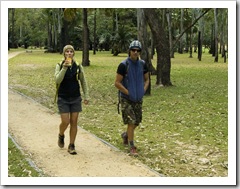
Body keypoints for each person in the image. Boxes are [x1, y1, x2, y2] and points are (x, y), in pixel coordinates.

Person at [114, 40, 150, 156]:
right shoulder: (124, 65)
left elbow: (147, 79)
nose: (135, 52)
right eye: (133, 50)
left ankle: (126, 135)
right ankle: (132, 145)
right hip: (126, 98)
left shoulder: (142, 64)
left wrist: (143, 90)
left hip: (138, 97)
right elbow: (117, 83)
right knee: (131, 121)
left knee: (137, 121)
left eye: (138, 50)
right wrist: (127, 92)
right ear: (129, 51)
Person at [55, 45, 89, 155]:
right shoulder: (59, 65)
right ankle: (61, 134)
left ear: (73, 53)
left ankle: (72, 145)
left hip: (75, 97)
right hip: (63, 97)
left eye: (71, 52)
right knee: (65, 121)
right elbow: (57, 79)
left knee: (74, 122)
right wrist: (64, 68)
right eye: (67, 52)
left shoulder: (78, 66)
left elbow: (83, 81)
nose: (69, 53)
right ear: (64, 54)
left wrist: (86, 96)